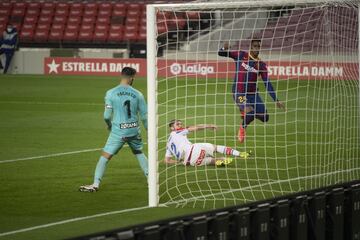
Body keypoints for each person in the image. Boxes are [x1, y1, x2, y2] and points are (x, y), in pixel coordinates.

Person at [79, 67, 148, 192]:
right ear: (132, 78)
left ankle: (95, 184)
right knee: (138, 152)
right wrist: (149, 131)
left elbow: (106, 116)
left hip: (118, 132)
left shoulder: (111, 93)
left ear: (121, 76)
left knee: (105, 156)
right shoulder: (138, 94)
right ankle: (151, 180)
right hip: (133, 130)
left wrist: (109, 125)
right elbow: (144, 116)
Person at [218, 39, 286, 143]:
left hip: (253, 94)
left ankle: (245, 111)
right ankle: (242, 128)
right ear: (251, 47)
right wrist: (224, 48)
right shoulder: (241, 55)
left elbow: (267, 83)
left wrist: (276, 100)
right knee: (250, 113)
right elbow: (221, 53)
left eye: (258, 46)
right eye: (254, 46)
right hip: (239, 92)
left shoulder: (261, 65)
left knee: (265, 117)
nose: (256, 48)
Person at [164, 119, 251, 166]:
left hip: (189, 162)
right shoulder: (177, 132)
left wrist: (179, 162)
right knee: (215, 147)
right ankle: (240, 154)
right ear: (172, 128)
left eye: (181, 124)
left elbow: (167, 160)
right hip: (194, 149)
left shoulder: (168, 144)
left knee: (209, 161)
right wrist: (210, 125)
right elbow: (196, 128)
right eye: (178, 124)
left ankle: (220, 160)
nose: (181, 125)